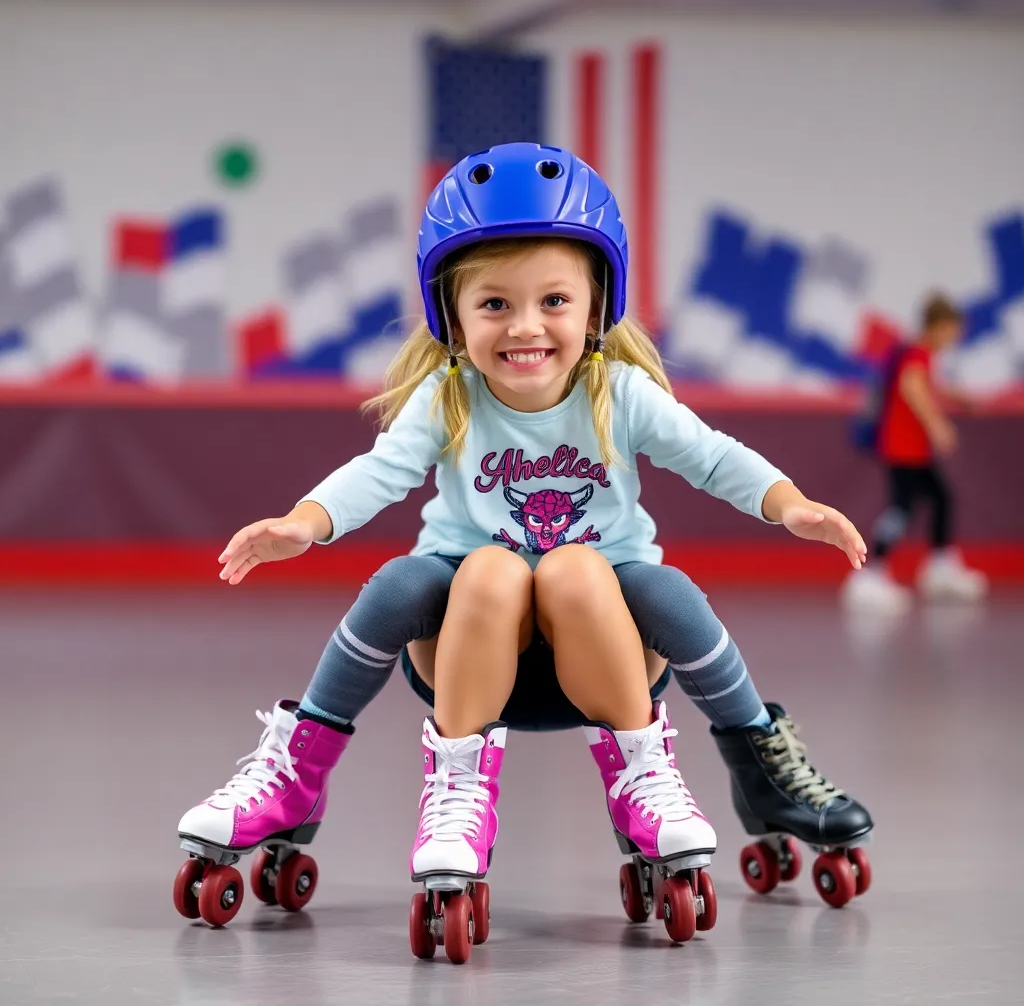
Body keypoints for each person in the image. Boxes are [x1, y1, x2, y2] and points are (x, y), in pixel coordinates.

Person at [174, 144, 874, 940]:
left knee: (628, 579)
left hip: (601, 645)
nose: (526, 326)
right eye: (495, 306)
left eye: (553, 300)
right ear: (453, 316)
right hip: (473, 656)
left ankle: (744, 769)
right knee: (440, 576)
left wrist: (792, 507)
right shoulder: (450, 396)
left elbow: (713, 456)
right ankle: (309, 777)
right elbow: (381, 472)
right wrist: (304, 522)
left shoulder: (621, 392)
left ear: (595, 304)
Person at [843, 293, 987, 612]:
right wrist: (938, 425)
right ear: (937, 327)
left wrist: (956, 397)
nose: (954, 338)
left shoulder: (917, 354)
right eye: (951, 331)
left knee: (941, 498)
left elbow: (924, 384)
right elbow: (912, 387)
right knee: (901, 511)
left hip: (913, 450)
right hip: (903, 448)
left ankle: (940, 566)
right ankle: (870, 573)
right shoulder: (918, 354)